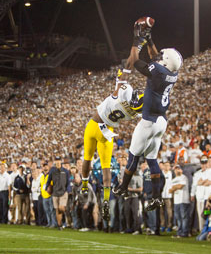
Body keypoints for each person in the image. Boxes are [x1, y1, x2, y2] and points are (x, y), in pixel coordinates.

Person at [114, 20, 183, 213]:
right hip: (161, 121)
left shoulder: (159, 71)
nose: (159, 55)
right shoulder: (172, 72)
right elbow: (157, 58)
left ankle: (122, 187)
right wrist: (150, 40)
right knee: (152, 159)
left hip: (149, 121)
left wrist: (137, 40)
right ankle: (157, 197)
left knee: (133, 156)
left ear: (166, 61)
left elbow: (136, 60)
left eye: (163, 55)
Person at [81, 32, 144, 222]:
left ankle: (84, 184)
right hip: (107, 133)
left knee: (87, 158)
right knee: (106, 171)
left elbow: (128, 66)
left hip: (95, 125)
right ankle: (106, 201)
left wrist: (137, 44)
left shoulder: (123, 92)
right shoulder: (136, 113)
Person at [46, 157, 70, 230]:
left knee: (61, 208)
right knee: (57, 210)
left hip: (63, 192)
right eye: (56, 161)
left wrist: (68, 190)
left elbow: (68, 181)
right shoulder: (52, 171)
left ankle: (66, 215)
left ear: (61, 162)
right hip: (55, 192)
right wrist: (47, 187)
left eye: (59, 161)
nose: (58, 162)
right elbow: (49, 180)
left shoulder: (65, 171)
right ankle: (60, 225)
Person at [169, 165, 190, 238]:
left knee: (184, 217)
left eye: (178, 169)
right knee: (178, 217)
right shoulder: (173, 179)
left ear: (181, 170)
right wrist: (176, 187)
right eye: (175, 169)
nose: (177, 170)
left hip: (183, 199)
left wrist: (174, 187)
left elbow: (181, 186)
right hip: (176, 200)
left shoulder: (184, 177)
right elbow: (170, 190)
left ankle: (185, 232)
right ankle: (179, 232)